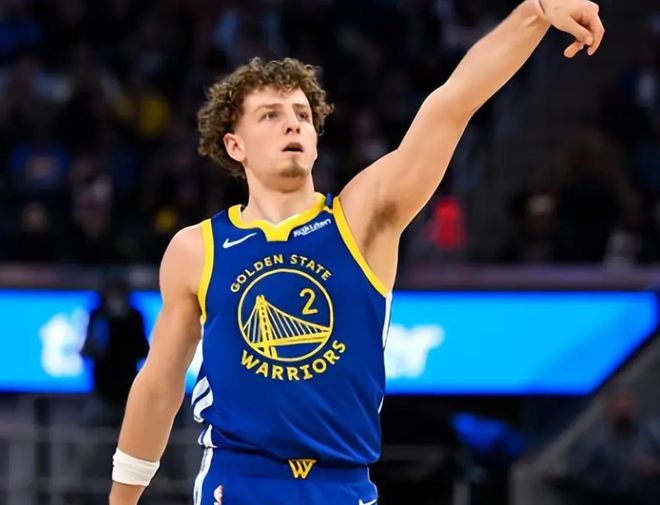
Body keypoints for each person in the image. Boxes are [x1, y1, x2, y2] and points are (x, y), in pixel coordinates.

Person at [109, 1, 605, 504]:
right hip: (237, 484)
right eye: (271, 115)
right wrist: (122, 499)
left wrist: (535, 12)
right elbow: (159, 386)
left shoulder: (360, 219)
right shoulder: (197, 248)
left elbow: (451, 104)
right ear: (235, 146)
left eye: (302, 115)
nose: (292, 125)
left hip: (342, 485)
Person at [80, 277, 149, 504]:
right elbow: (88, 349)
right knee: (94, 453)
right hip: (102, 394)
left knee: (136, 454)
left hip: (129, 396)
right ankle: (90, 498)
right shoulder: (98, 315)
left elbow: (143, 349)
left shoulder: (135, 316)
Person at [566, 387, 660, 505]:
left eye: (626, 410)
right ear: (610, 414)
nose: (624, 416)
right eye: (619, 412)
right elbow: (586, 476)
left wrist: (653, 468)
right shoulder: (601, 446)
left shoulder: (650, 428)